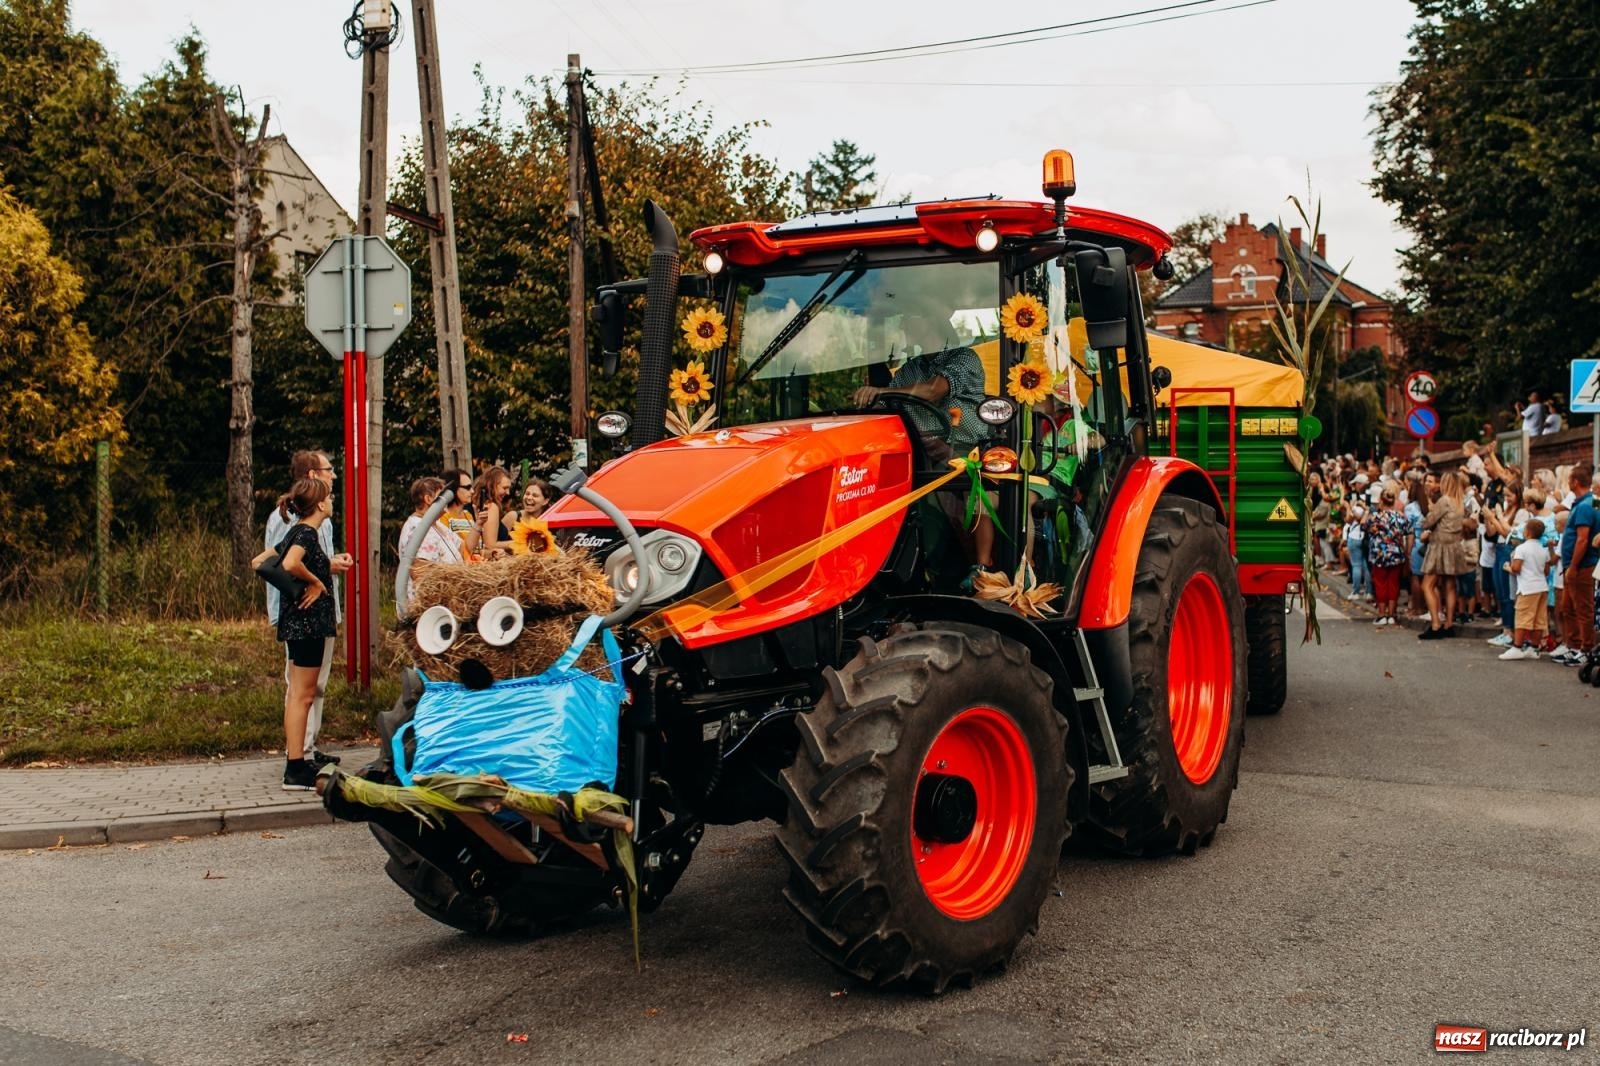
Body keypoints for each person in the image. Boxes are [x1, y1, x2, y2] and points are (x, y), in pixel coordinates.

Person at [850, 313, 991, 583]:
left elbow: (934, 391)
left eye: (910, 318)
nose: (902, 325)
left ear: (931, 323)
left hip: (964, 452)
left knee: (975, 500)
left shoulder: (964, 358)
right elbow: (888, 401)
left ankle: (981, 567)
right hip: (919, 452)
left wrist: (881, 391)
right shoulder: (910, 369)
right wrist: (868, 400)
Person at [263, 449, 351, 769]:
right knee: (300, 689)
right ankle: (297, 756)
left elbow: (303, 557)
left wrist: (329, 564)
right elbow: (277, 564)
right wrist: (311, 583)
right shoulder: (290, 520)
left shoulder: (317, 521)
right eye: (329, 469)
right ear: (313, 475)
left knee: (316, 687)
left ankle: (307, 749)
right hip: (304, 615)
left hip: (318, 613)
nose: (334, 475)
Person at [253, 478, 337, 789]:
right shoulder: (306, 532)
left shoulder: (294, 531)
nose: (332, 500)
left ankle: (295, 761)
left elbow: (260, 561)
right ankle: (295, 768)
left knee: (297, 697)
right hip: (308, 624)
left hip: (297, 624)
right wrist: (313, 583)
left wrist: (297, 580)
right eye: (329, 497)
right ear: (319, 504)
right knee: (303, 696)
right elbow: (289, 562)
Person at [1551, 466, 1597, 666]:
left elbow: (1582, 539)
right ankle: (1574, 645)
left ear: (1575, 482)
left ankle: (1586, 649)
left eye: (1570, 480)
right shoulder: (1583, 504)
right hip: (1573, 565)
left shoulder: (1586, 506)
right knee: (1568, 607)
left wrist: (1573, 567)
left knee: (1583, 608)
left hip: (1582, 566)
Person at [1419, 470, 1470, 639]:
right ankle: (1449, 624)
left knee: (1427, 585)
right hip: (1454, 546)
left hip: (1440, 546)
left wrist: (1430, 507)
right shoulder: (1460, 502)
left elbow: (1428, 521)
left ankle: (1435, 624)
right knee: (1450, 586)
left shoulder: (1444, 501)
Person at [399, 476, 465, 590]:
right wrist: (455, 576)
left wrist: (478, 525)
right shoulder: (417, 528)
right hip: (429, 604)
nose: (447, 500)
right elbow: (420, 572)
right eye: (442, 495)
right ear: (428, 499)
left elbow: (464, 548)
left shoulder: (436, 525)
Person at [1499, 517, 1551, 660]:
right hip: (1542, 587)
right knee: (1539, 619)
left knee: (1522, 617)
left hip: (1527, 587)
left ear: (1527, 532)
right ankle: (1534, 648)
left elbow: (1516, 568)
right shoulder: (1543, 550)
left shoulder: (1521, 549)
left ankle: (1517, 646)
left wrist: (1508, 567)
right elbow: (1546, 571)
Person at [1364, 487, 1411, 627]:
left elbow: (1363, 526)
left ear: (1381, 501)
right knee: (1394, 584)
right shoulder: (1401, 517)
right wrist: (1407, 552)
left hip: (1379, 555)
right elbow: (1409, 532)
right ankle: (1392, 614)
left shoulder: (1375, 518)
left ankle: (1382, 614)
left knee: (1380, 584)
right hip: (1396, 554)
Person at [472, 465, 516, 558]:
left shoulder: (482, 504)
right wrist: (519, 543)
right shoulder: (491, 506)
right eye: (504, 488)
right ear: (492, 486)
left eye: (509, 488)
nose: (508, 493)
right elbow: (490, 545)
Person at [440, 467, 481, 558]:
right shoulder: (443, 517)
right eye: (467, 487)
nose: (472, 491)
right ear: (453, 489)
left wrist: (493, 553)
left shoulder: (468, 515)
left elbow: (477, 550)